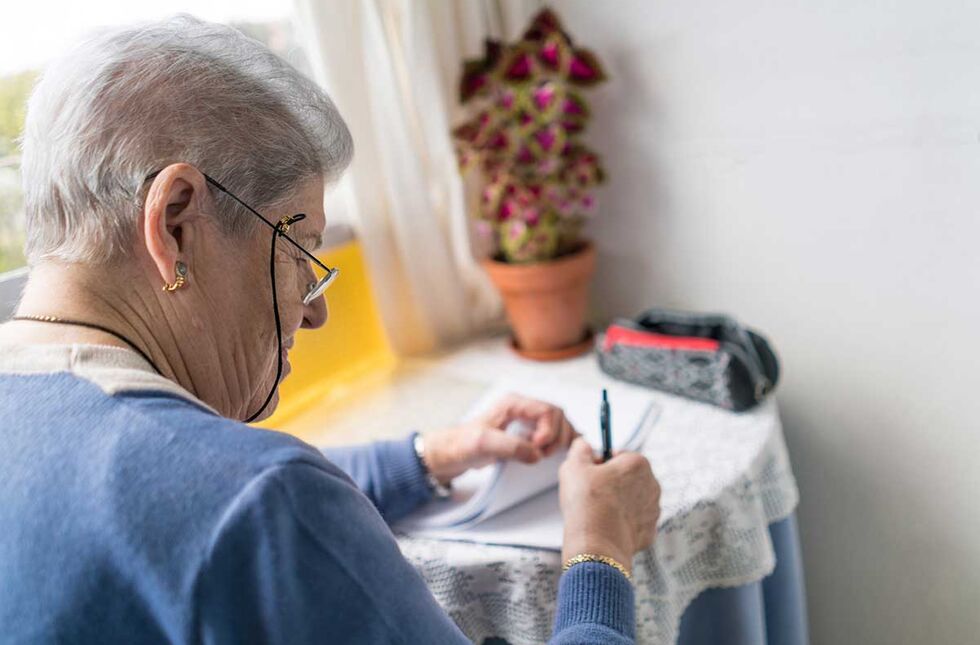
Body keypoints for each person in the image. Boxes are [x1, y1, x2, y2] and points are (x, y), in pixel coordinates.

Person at [0, 15, 661, 644]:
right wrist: (599, 546)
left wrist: (426, 456)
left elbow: (192, 499)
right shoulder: (262, 502)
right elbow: (249, 504)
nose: (315, 311)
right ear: (175, 222)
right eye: (298, 252)